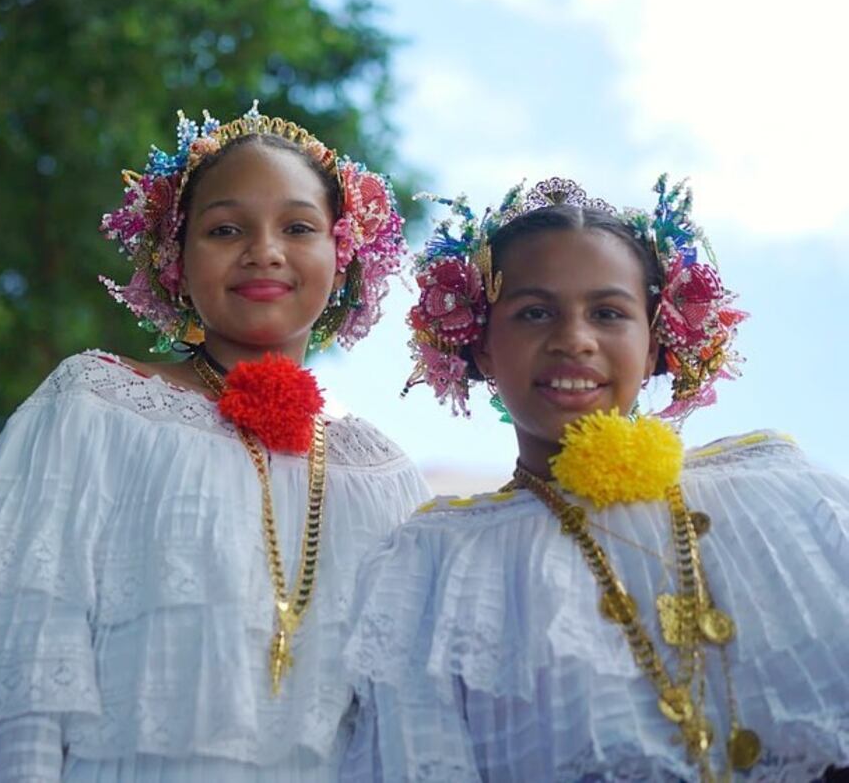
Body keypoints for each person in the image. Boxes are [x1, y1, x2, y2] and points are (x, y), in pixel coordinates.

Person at [0, 102, 430, 781]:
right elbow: (14, 681)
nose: (265, 250)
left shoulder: (383, 473)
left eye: (298, 226)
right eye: (226, 228)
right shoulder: (94, 409)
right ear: (173, 258)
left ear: (343, 255)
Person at [342, 177, 849, 782]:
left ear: (658, 340)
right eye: (535, 312)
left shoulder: (777, 496)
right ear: (479, 348)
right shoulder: (436, 564)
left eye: (608, 313)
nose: (574, 339)